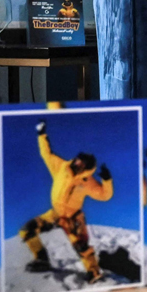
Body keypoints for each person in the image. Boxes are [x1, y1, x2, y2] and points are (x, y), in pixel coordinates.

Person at [19, 119, 113, 282]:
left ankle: (94, 272)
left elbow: (104, 195)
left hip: (73, 218)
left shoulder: (87, 182)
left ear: (86, 167)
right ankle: (41, 259)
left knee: (81, 246)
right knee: (28, 229)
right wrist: (41, 134)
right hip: (55, 214)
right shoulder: (62, 168)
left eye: (81, 163)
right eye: (77, 159)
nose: (77, 163)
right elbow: (46, 154)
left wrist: (107, 180)